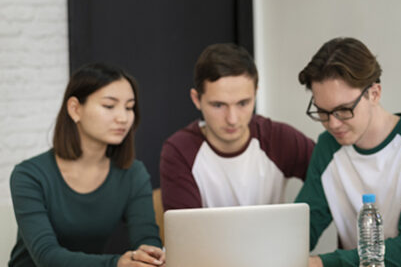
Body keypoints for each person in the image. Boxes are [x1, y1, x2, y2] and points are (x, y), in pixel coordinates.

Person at [295, 37, 401, 267]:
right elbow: (303, 229)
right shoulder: (328, 148)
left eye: (344, 110)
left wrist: (319, 264)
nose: (333, 124)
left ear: (374, 94)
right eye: (323, 112)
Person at [9, 63, 164, 267]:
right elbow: (46, 256)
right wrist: (116, 264)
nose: (123, 118)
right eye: (109, 106)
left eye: (129, 107)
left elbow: (146, 238)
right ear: (75, 109)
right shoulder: (29, 175)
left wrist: (149, 256)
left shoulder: (133, 174)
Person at [159, 43, 315, 210]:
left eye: (243, 103)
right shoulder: (179, 151)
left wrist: (298, 227)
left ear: (255, 93)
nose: (232, 119)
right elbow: (185, 233)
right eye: (218, 105)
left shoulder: (278, 138)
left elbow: (329, 178)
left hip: (273, 237)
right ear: (197, 99)